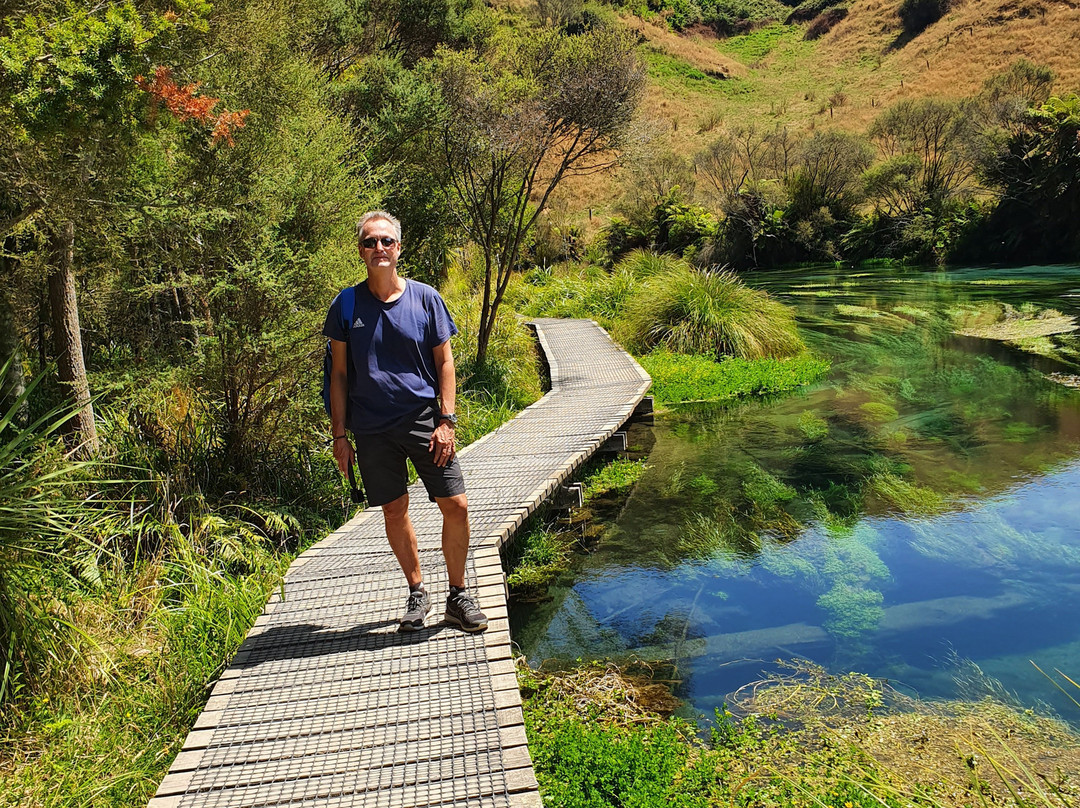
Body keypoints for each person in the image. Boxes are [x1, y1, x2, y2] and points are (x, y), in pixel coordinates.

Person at [324, 210, 487, 633]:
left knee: (456, 504)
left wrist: (447, 420)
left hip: (423, 420)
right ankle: (417, 591)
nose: (378, 248)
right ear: (360, 251)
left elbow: (445, 361)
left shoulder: (426, 298)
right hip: (371, 427)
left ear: (399, 248)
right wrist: (339, 435)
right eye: (369, 242)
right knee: (394, 509)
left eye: (385, 241)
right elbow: (338, 375)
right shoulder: (346, 305)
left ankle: (458, 594)